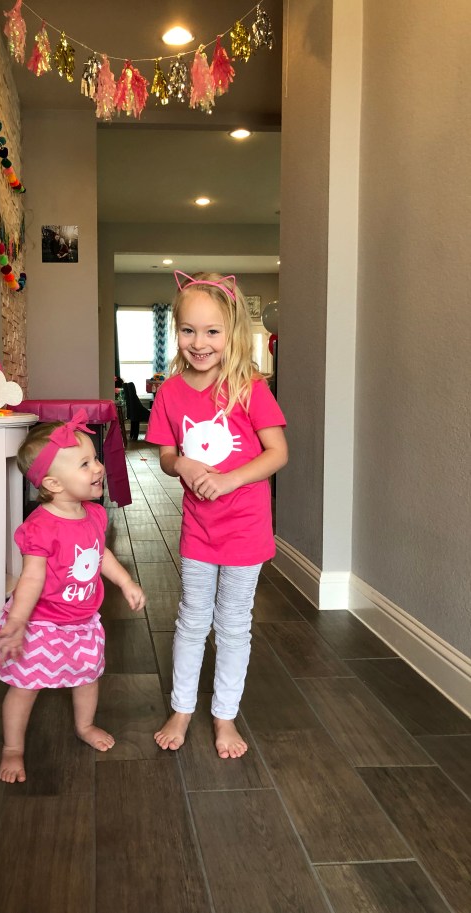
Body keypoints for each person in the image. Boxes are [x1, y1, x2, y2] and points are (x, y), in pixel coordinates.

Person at [146, 271, 288, 759]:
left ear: (232, 332)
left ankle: (224, 715)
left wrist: (229, 480)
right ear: (177, 331)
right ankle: (182, 708)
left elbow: (277, 453)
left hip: (246, 528)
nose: (199, 342)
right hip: (199, 530)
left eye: (211, 331)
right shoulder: (170, 392)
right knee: (191, 619)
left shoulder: (249, 387)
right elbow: (166, 456)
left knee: (232, 623)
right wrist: (182, 464)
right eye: (188, 330)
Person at [0, 410, 146, 783]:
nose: (98, 468)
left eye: (95, 459)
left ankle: (85, 725)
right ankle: (12, 748)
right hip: (41, 623)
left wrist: (125, 582)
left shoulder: (94, 515)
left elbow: (100, 553)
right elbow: (32, 577)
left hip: (83, 620)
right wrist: (18, 621)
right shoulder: (41, 527)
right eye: (85, 464)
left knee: (87, 676)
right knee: (25, 687)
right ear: (53, 484)